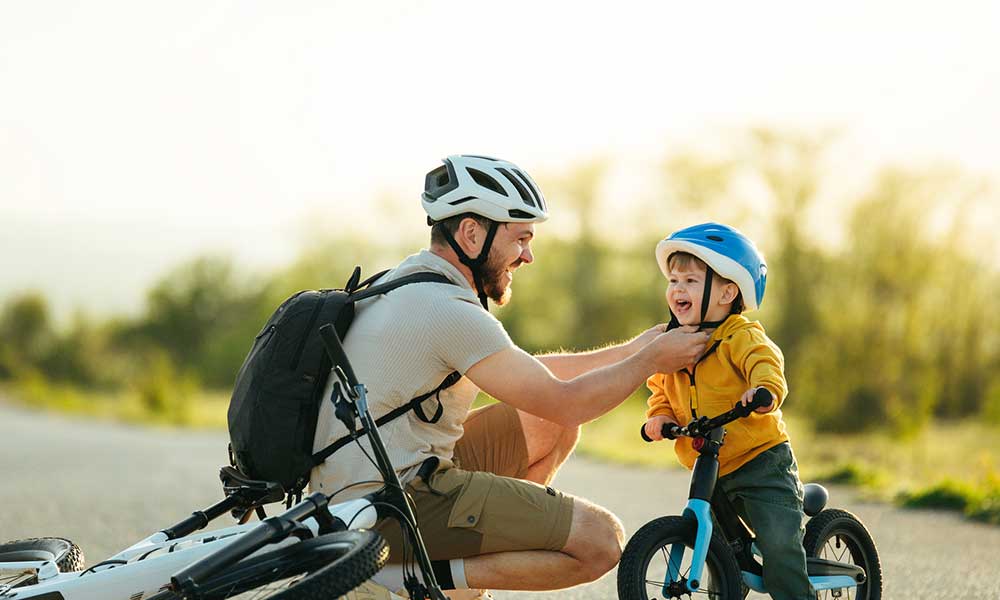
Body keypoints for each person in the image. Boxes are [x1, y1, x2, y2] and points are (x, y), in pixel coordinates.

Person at [310, 155, 709, 600]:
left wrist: (636, 349)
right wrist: (649, 362)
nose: (528, 255)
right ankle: (414, 578)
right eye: (521, 238)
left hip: (353, 490)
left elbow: (535, 381)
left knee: (549, 424)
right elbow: (568, 400)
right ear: (472, 233)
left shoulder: (407, 282)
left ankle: (468, 558)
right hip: (389, 505)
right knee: (601, 541)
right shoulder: (449, 310)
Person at [642, 222, 814, 600]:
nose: (677, 289)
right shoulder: (674, 345)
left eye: (689, 280)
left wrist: (763, 390)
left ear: (727, 291)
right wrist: (661, 418)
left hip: (760, 462)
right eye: (673, 281)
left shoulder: (740, 335)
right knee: (720, 556)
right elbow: (660, 389)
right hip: (710, 465)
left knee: (779, 547)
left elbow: (765, 363)